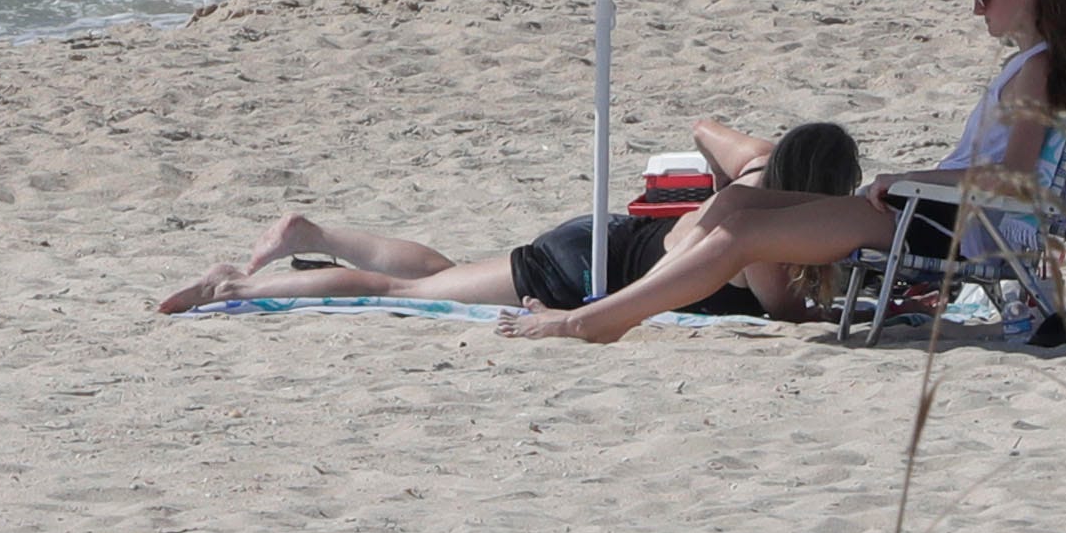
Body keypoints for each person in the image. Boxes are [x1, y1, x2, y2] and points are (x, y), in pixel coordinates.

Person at [506, 0, 1066, 344]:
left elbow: (1014, 180)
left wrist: (910, 179)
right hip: (938, 211)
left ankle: (597, 320)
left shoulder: (1036, 72)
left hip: (951, 223)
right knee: (735, 200)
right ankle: (613, 309)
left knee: (741, 234)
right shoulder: (1030, 66)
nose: (978, 12)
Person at [153, 118, 863, 316]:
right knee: (406, 291)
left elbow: (707, 127)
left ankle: (313, 234)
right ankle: (233, 287)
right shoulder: (771, 235)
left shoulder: (756, 171)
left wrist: (714, 188)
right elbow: (786, 312)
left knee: (442, 271)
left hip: (605, 236)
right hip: (578, 273)